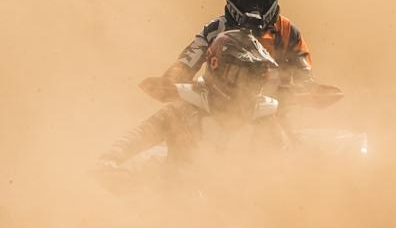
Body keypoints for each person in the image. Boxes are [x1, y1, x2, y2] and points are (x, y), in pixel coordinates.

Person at [101, 30, 288, 168]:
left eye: (254, 78)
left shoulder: (264, 118)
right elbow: (140, 136)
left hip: (240, 208)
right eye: (239, 75)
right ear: (216, 68)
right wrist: (110, 160)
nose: (246, 86)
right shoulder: (186, 108)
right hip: (178, 205)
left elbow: (288, 167)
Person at [159, 0, 312, 90]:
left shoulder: (288, 31)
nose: (254, 7)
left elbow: (305, 78)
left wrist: (309, 90)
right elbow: (185, 64)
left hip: (272, 112)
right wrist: (170, 80)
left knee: (302, 123)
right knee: (175, 112)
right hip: (214, 106)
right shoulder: (216, 29)